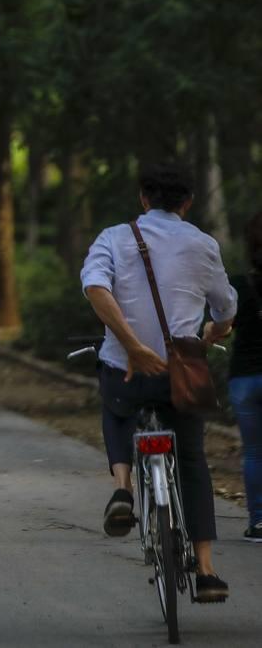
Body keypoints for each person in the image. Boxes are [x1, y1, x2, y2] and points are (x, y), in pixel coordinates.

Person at [80, 162, 235, 602]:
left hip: (125, 371)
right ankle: (206, 571)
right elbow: (226, 311)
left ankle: (123, 488)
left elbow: (95, 287)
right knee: (191, 461)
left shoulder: (113, 237)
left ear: (143, 199)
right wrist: (212, 333)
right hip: (179, 377)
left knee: (116, 409)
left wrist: (130, 344)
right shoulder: (204, 245)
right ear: (187, 203)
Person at [229, 211, 262, 542]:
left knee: (254, 452)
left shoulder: (240, 284)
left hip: (244, 379)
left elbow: (223, 326)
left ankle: (258, 522)